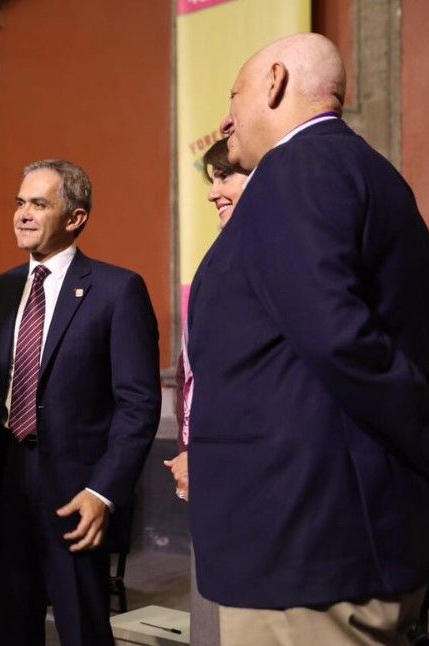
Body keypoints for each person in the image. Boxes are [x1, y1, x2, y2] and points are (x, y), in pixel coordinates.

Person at [188, 33, 429, 645]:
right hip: (329, 541)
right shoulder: (355, 170)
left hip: (311, 551)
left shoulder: (299, 167)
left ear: (275, 81)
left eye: (234, 94)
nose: (226, 118)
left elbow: (341, 341)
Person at [0, 160, 161, 646]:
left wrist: (104, 492)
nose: (22, 213)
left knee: (82, 630)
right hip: (5, 493)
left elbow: (138, 406)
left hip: (76, 498)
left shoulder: (117, 290)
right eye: (20, 202)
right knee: (12, 631)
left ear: (75, 218)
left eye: (38, 204)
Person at [163, 137, 247, 646]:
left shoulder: (264, 254)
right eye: (210, 178)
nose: (214, 191)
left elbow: (243, 378)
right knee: (209, 618)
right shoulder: (219, 256)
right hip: (204, 463)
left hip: (238, 469)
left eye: (227, 176)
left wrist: (204, 454)